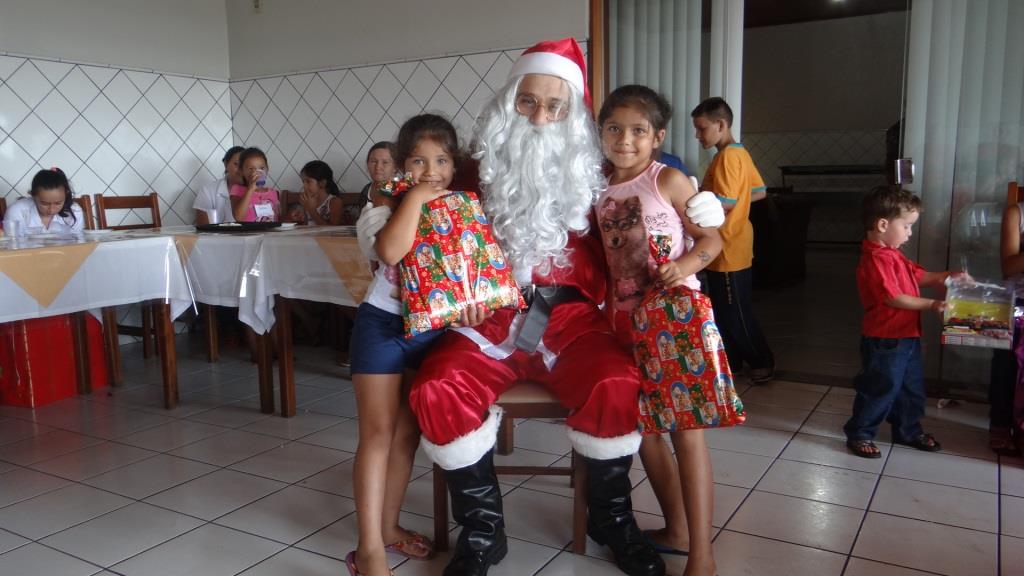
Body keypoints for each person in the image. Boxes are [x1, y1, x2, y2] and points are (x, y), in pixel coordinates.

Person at [356, 39, 722, 576]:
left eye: (555, 106)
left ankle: (611, 521)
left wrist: (699, 205)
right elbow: (408, 188)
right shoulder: (472, 169)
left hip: (574, 319)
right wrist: (376, 214)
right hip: (490, 318)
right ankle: (483, 532)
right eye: (528, 102)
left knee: (617, 382)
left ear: (574, 116)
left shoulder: (599, 171)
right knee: (436, 387)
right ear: (509, 104)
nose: (540, 117)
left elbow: (651, 181)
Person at [597, 85, 721, 576]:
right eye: (614, 128)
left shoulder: (666, 179)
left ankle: (702, 557)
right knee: (644, 431)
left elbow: (711, 239)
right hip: (624, 323)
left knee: (686, 434)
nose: (624, 140)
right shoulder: (597, 188)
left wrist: (683, 265)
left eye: (638, 130)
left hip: (676, 317)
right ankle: (677, 529)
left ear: (657, 136)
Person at [346, 114, 459, 576]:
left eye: (442, 160)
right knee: (377, 433)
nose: (431, 171)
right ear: (402, 166)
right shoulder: (386, 204)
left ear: (455, 165)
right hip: (382, 326)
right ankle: (368, 549)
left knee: (407, 435)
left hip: (430, 330)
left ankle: (389, 527)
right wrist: (413, 197)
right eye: (419, 161)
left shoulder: (462, 209)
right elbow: (391, 251)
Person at [844, 186, 951, 458]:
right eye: (906, 226)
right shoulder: (875, 259)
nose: (910, 233)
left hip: (907, 336)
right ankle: (860, 433)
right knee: (881, 387)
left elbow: (918, 276)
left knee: (911, 388)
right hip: (885, 339)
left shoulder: (892, 253)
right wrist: (932, 304)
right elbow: (893, 298)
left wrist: (947, 277)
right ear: (883, 225)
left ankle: (908, 431)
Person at [691, 97, 774, 383]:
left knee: (734, 311)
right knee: (728, 308)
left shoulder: (727, 157)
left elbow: (725, 203)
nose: (698, 135)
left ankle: (761, 361)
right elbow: (759, 192)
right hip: (736, 241)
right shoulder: (739, 153)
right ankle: (734, 361)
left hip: (728, 244)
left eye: (702, 128)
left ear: (721, 125)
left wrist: (693, 205)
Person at [991, 196, 1024, 455]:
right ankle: (1000, 425)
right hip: (1019, 301)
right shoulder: (1017, 213)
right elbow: (1009, 267)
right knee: (1006, 360)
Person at [2, 168, 83, 236]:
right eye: (45, 203)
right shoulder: (17, 211)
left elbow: (77, 244)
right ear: (33, 196)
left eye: (58, 203)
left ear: (66, 194)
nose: (51, 210)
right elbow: (13, 245)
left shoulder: (74, 211)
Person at [195, 146, 244, 225]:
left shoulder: (256, 190)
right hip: (217, 234)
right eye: (236, 164)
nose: (241, 169)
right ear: (226, 164)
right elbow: (203, 226)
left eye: (245, 165)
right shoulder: (208, 190)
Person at [230, 147, 280, 222]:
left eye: (262, 168)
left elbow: (278, 219)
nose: (257, 172)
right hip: (249, 230)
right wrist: (250, 189)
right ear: (241, 171)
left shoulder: (273, 193)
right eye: (251, 169)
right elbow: (238, 217)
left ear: (267, 169)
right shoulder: (237, 190)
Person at [297, 160, 344, 225]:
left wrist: (312, 211)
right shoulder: (307, 201)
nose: (304, 186)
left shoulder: (334, 202)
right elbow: (306, 226)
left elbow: (332, 229)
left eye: (308, 181)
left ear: (322, 183)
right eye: (303, 182)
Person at [359, 142, 399, 211]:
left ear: (395, 167)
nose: (378, 167)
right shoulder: (367, 189)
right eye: (374, 161)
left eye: (385, 162)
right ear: (367, 164)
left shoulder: (401, 192)